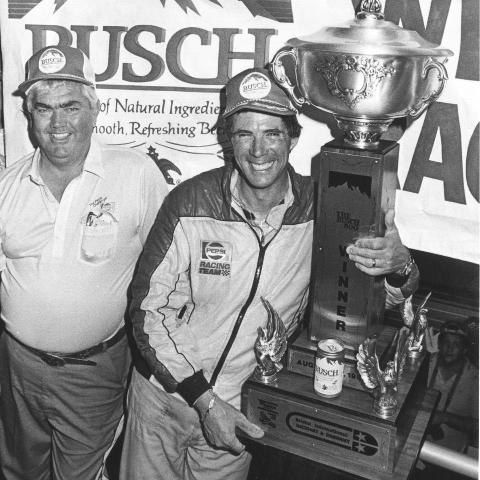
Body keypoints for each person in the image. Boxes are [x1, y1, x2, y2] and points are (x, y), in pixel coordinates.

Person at [119, 67, 419, 480]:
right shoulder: (189, 202)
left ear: (293, 138)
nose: (258, 150)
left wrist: (398, 265)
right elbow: (147, 310)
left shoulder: (323, 207)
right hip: (164, 398)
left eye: (272, 134)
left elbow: (376, 301)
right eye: (244, 134)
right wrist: (204, 400)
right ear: (229, 140)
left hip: (242, 405)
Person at [0, 45, 168, 480]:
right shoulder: (7, 184)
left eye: (71, 107)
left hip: (94, 371)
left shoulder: (136, 174)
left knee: (80, 474)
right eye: (44, 109)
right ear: (29, 116)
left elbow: (168, 270)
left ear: (95, 109)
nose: (58, 124)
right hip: (16, 365)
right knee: (17, 469)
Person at [425, 321, 478, 461]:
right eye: (446, 342)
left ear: (465, 349)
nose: (450, 348)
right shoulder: (424, 363)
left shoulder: (475, 378)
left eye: (456, 344)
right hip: (416, 444)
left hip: (451, 458)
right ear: (439, 344)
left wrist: (444, 418)